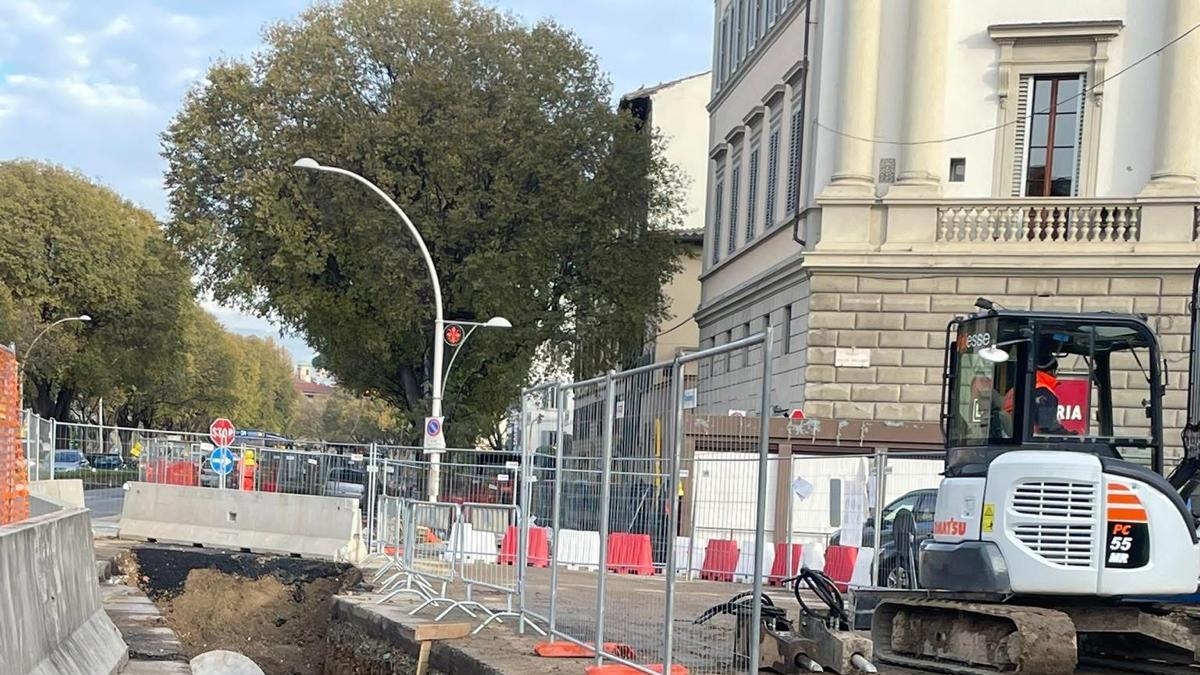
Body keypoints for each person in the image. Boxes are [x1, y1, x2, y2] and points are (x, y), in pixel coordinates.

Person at [1002, 354, 1076, 436]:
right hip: (1029, 441)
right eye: (1057, 371)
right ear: (1051, 371)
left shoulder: (1021, 387)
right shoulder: (1043, 392)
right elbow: (1048, 427)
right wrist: (1068, 436)